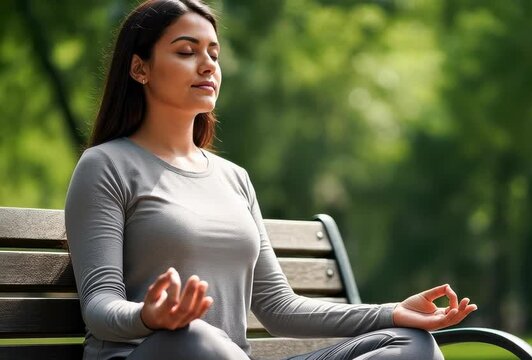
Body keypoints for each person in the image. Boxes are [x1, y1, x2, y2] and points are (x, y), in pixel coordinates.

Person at [64, 1, 478, 359]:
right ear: (140, 68)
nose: (208, 64)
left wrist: (390, 313)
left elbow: (278, 306)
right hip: (155, 353)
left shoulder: (233, 178)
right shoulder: (106, 165)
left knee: (412, 346)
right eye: (187, 52)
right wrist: (148, 316)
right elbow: (99, 307)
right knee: (195, 339)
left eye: (214, 53)